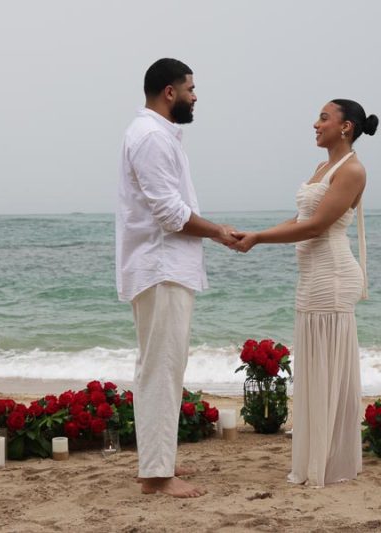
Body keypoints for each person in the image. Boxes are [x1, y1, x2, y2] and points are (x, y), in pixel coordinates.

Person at [233, 99, 378, 487]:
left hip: (331, 277)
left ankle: (331, 463)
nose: (315, 124)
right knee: (314, 368)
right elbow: (300, 219)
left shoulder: (353, 170)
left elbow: (316, 227)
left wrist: (260, 239)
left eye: (324, 118)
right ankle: (318, 457)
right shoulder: (322, 167)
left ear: (345, 127)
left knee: (327, 368)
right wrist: (255, 233)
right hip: (311, 277)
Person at [116, 58, 238, 498]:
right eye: (190, 87)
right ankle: (157, 476)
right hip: (160, 265)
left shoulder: (158, 134)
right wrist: (219, 232)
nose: (195, 95)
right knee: (162, 368)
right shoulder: (150, 136)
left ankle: (158, 461)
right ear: (170, 91)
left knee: (162, 366)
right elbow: (169, 214)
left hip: (163, 266)